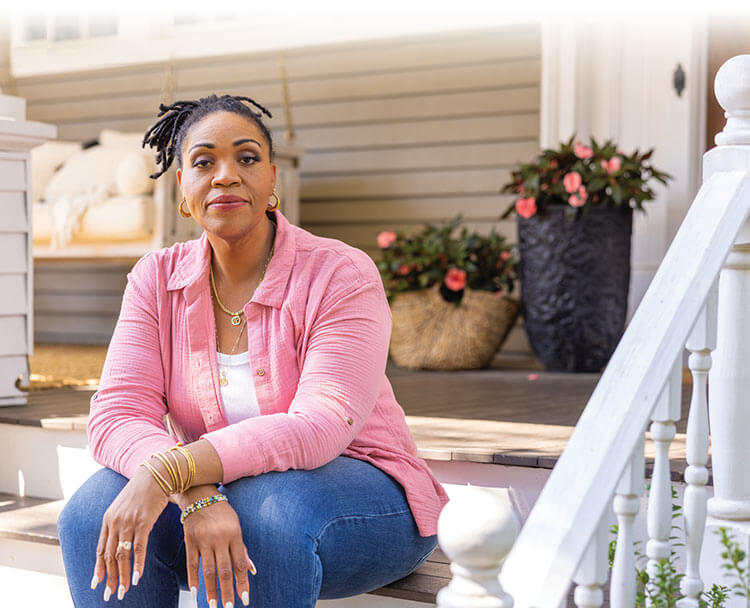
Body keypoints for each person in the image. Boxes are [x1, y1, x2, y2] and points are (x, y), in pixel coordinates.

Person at [57, 94, 449, 608]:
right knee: (90, 514)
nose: (224, 175)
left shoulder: (339, 273)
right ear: (183, 188)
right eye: (203, 162)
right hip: (220, 487)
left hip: (364, 493)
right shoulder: (156, 279)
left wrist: (171, 472)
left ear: (272, 181)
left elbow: (321, 425)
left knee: (264, 515)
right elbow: (116, 413)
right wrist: (192, 489)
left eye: (245, 158)